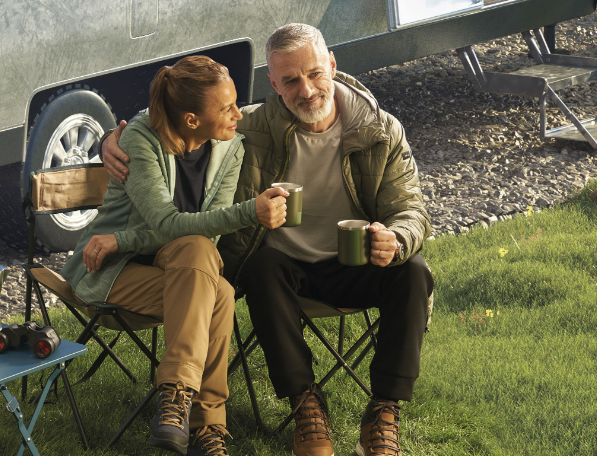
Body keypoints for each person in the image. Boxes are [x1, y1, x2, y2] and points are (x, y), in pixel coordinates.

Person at [102, 24, 433, 456]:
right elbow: (180, 115)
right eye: (291, 80)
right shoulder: (251, 128)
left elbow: (413, 211)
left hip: (356, 263)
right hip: (283, 271)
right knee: (261, 268)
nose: (307, 90)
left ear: (332, 65)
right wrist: (112, 139)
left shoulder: (381, 130)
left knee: (412, 270)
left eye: (314, 73)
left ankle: (384, 410)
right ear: (274, 84)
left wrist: (396, 237)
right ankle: (305, 405)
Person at [60, 55, 288, 456]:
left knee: (201, 255)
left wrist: (122, 237)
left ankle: (175, 402)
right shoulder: (140, 139)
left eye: (236, 102)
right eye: (226, 107)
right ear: (191, 120)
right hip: (112, 269)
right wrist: (251, 211)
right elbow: (167, 224)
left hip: (181, 268)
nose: (238, 113)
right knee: (217, 294)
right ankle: (205, 426)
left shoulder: (231, 147)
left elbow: (205, 230)